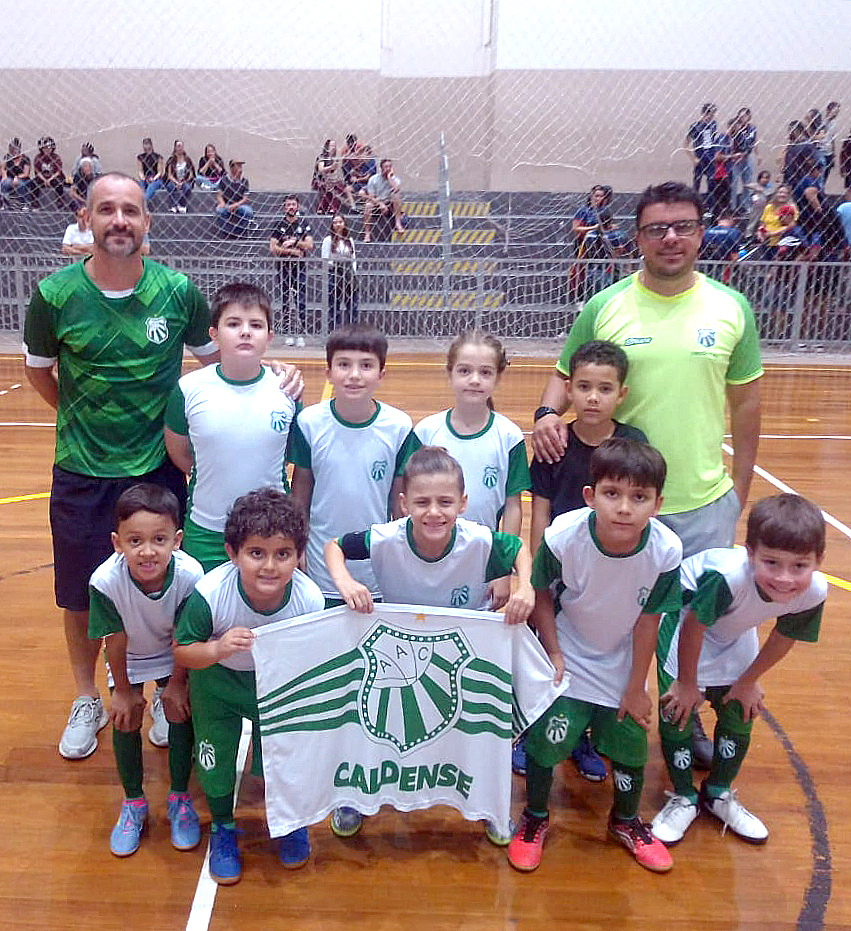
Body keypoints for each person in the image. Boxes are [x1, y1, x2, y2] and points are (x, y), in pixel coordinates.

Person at [533, 181, 762, 766]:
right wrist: (544, 413)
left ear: (701, 231)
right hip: (625, 508)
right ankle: (600, 723)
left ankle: (690, 726)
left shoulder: (730, 308)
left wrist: (738, 491)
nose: (671, 238)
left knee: (702, 626)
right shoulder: (605, 305)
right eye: (657, 228)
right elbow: (566, 373)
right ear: (637, 237)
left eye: (683, 225)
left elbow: (748, 404)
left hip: (703, 502)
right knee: (617, 623)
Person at [22, 172, 220, 760]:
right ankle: (87, 697)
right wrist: (77, 416)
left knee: (165, 586)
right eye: (105, 210)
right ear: (88, 220)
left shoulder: (178, 292)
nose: (118, 221)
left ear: (146, 223)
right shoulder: (55, 296)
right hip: (81, 469)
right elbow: (38, 369)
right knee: (80, 592)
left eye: (130, 211)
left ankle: (159, 692)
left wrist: (278, 376)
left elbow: (216, 365)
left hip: (156, 471)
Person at [324, 444, 535, 842]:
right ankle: (354, 796)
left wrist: (525, 587)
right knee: (372, 722)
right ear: (403, 503)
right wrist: (346, 582)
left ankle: (490, 804)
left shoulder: (480, 540)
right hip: (397, 649)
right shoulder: (385, 538)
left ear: (463, 502)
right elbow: (334, 546)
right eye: (422, 502)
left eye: (445, 502)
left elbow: (520, 549)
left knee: (480, 727)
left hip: (460, 649)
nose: (433, 512)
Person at [507, 438, 682, 873]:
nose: (625, 507)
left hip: (621, 657)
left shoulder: (665, 550)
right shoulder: (564, 536)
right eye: (612, 494)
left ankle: (625, 821)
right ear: (591, 496)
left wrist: (637, 684)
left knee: (630, 746)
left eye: (639, 497)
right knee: (547, 744)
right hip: (569, 651)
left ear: (657, 503)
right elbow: (542, 594)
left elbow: (648, 620)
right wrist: (554, 653)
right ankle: (535, 818)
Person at [650, 494, 827, 846]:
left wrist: (748, 681)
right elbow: (694, 627)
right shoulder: (728, 578)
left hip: (733, 627)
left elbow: (784, 636)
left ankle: (717, 793)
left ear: (818, 561)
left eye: (799, 566)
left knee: (740, 709)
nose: (784, 578)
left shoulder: (814, 592)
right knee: (678, 710)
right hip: (686, 620)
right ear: (750, 553)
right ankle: (683, 796)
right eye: (772, 562)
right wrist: (687, 683)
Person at [173, 488, 325, 884]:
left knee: (283, 758)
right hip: (216, 684)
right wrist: (219, 647)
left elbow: (314, 661)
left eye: (283, 554)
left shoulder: (309, 600)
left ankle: (289, 821)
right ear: (232, 552)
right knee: (216, 760)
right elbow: (183, 651)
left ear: (299, 555)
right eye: (256, 553)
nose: (270, 566)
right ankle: (223, 827)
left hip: (275, 686)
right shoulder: (210, 593)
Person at [528, 340, 647, 782]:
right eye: (583, 387)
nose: (593, 397)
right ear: (569, 391)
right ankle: (535, 732)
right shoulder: (553, 442)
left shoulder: (633, 444)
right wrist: (537, 571)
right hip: (560, 569)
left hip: (611, 571)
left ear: (622, 393)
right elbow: (540, 507)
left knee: (598, 652)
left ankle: (583, 740)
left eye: (604, 388)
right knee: (549, 652)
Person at [88, 484, 204, 857]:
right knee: (125, 717)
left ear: (177, 540)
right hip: (131, 655)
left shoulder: (190, 576)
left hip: (174, 652)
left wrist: (177, 684)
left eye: (159, 539)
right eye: (135, 540)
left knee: (179, 712)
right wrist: (123, 690)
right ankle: (134, 801)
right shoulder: (104, 581)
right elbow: (115, 640)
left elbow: (185, 636)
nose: (148, 551)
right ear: (117, 543)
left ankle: (179, 797)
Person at [164, 282, 297, 572]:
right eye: (234, 323)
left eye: (256, 325)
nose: (246, 331)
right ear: (214, 334)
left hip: (271, 532)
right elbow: (181, 454)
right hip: (206, 531)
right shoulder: (189, 389)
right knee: (204, 614)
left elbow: (286, 454)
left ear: (269, 336)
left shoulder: (286, 389)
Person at [289, 323, 419, 608]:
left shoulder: (398, 426)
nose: (354, 375)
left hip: (377, 565)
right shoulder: (309, 423)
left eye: (366, 365)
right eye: (344, 364)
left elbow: (400, 503)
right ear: (329, 372)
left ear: (382, 374)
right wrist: (296, 543)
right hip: (319, 560)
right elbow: (301, 491)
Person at [414, 329, 530, 613]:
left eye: (485, 372)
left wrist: (502, 569)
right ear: (449, 373)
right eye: (465, 370)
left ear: (498, 377)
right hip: (430, 553)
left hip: (480, 560)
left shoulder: (509, 436)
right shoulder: (427, 431)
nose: (475, 380)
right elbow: (408, 500)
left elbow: (513, 507)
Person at [269, 194, 314, 345]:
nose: (291, 207)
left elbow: (309, 245)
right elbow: (273, 248)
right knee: (286, 300)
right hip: (283, 267)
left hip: (300, 268)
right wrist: (291, 251)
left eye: (293, 204)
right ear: (284, 207)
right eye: (288, 205)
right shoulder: (278, 224)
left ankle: (300, 333)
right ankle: (288, 332)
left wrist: (294, 241)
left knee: (300, 300)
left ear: (298, 206)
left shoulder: (303, 223)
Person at [321, 212, 358, 329]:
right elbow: (325, 259)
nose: (338, 224)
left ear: (344, 223)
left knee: (352, 305)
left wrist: (353, 272)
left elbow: (353, 258)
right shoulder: (328, 240)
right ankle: (334, 331)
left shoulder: (349, 240)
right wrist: (338, 264)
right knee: (334, 306)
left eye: (340, 222)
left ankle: (352, 331)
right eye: (335, 222)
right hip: (334, 273)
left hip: (348, 274)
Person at [363, 158, 404, 241]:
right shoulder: (373, 179)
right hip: (377, 204)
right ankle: (367, 233)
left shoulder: (395, 180)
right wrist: (380, 204)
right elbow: (371, 197)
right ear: (381, 168)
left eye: (390, 167)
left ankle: (398, 223)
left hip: (390, 204)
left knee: (396, 196)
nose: (388, 169)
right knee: (368, 205)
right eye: (386, 167)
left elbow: (396, 189)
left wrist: (389, 178)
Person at [728, 108, 759, 212]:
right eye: (740, 116)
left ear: (748, 117)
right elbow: (730, 141)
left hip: (747, 157)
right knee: (734, 183)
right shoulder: (735, 128)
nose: (742, 118)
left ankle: (746, 205)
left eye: (744, 116)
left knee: (747, 182)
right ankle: (732, 207)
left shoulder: (752, 129)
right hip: (736, 159)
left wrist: (758, 155)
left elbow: (754, 143)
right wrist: (732, 156)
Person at [312, 139, 355, 213]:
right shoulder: (322, 157)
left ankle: (353, 207)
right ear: (327, 147)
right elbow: (321, 170)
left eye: (334, 146)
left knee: (343, 187)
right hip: (319, 181)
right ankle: (331, 208)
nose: (333, 147)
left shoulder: (334, 159)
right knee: (331, 188)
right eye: (332, 145)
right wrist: (331, 167)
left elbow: (334, 173)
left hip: (330, 181)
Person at [685, 103, 719, 194]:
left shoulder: (713, 125)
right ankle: (695, 203)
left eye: (712, 115)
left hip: (710, 157)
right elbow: (685, 144)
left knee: (711, 182)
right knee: (697, 182)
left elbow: (714, 140)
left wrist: (715, 153)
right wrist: (693, 159)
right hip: (700, 156)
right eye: (709, 115)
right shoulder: (695, 126)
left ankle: (710, 205)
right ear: (703, 114)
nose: (710, 117)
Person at [215, 158, 253, 237]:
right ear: (232, 167)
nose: (240, 168)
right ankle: (227, 232)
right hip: (227, 204)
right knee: (219, 211)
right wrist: (222, 203)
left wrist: (236, 204)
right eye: (238, 166)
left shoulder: (244, 181)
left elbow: (245, 198)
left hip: (239, 205)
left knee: (248, 212)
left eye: (241, 166)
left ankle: (239, 232)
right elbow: (219, 195)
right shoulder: (224, 180)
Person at [32, 136, 69, 210]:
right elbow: (37, 171)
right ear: (41, 149)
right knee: (33, 183)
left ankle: (60, 201)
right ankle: (34, 202)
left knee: (58, 183)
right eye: (45, 148)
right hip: (42, 178)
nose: (47, 150)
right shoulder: (38, 157)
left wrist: (49, 180)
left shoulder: (56, 157)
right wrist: (44, 180)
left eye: (49, 148)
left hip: (54, 177)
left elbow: (58, 172)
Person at [164, 139, 195, 213]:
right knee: (170, 186)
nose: (180, 148)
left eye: (181, 146)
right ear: (175, 148)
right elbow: (169, 175)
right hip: (174, 180)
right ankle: (176, 206)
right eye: (178, 146)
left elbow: (191, 174)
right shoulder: (171, 160)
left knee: (187, 187)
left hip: (185, 180)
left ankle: (179, 205)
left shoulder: (187, 159)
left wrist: (183, 182)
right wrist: (176, 182)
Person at [1, 137, 33, 209]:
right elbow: (3, 168)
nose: (14, 150)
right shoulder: (7, 157)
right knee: (4, 183)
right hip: (10, 177)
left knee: (21, 184)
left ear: (19, 148)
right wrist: (4, 176)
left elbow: (26, 173)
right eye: (12, 148)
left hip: (22, 178)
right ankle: (5, 203)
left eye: (16, 148)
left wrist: (17, 178)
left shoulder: (25, 158)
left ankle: (24, 203)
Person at [136, 137, 165, 208]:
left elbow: (160, 172)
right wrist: (143, 178)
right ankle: (141, 203)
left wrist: (154, 178)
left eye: (147, 144)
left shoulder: (158, 157)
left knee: (151, 186)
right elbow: (140, 171)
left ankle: (143, 204)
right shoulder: (141, 157)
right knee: (141, 185)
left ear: (151, 145)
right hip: (145, 177)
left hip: (156, 178)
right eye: (144, 144)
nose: (146, 146)